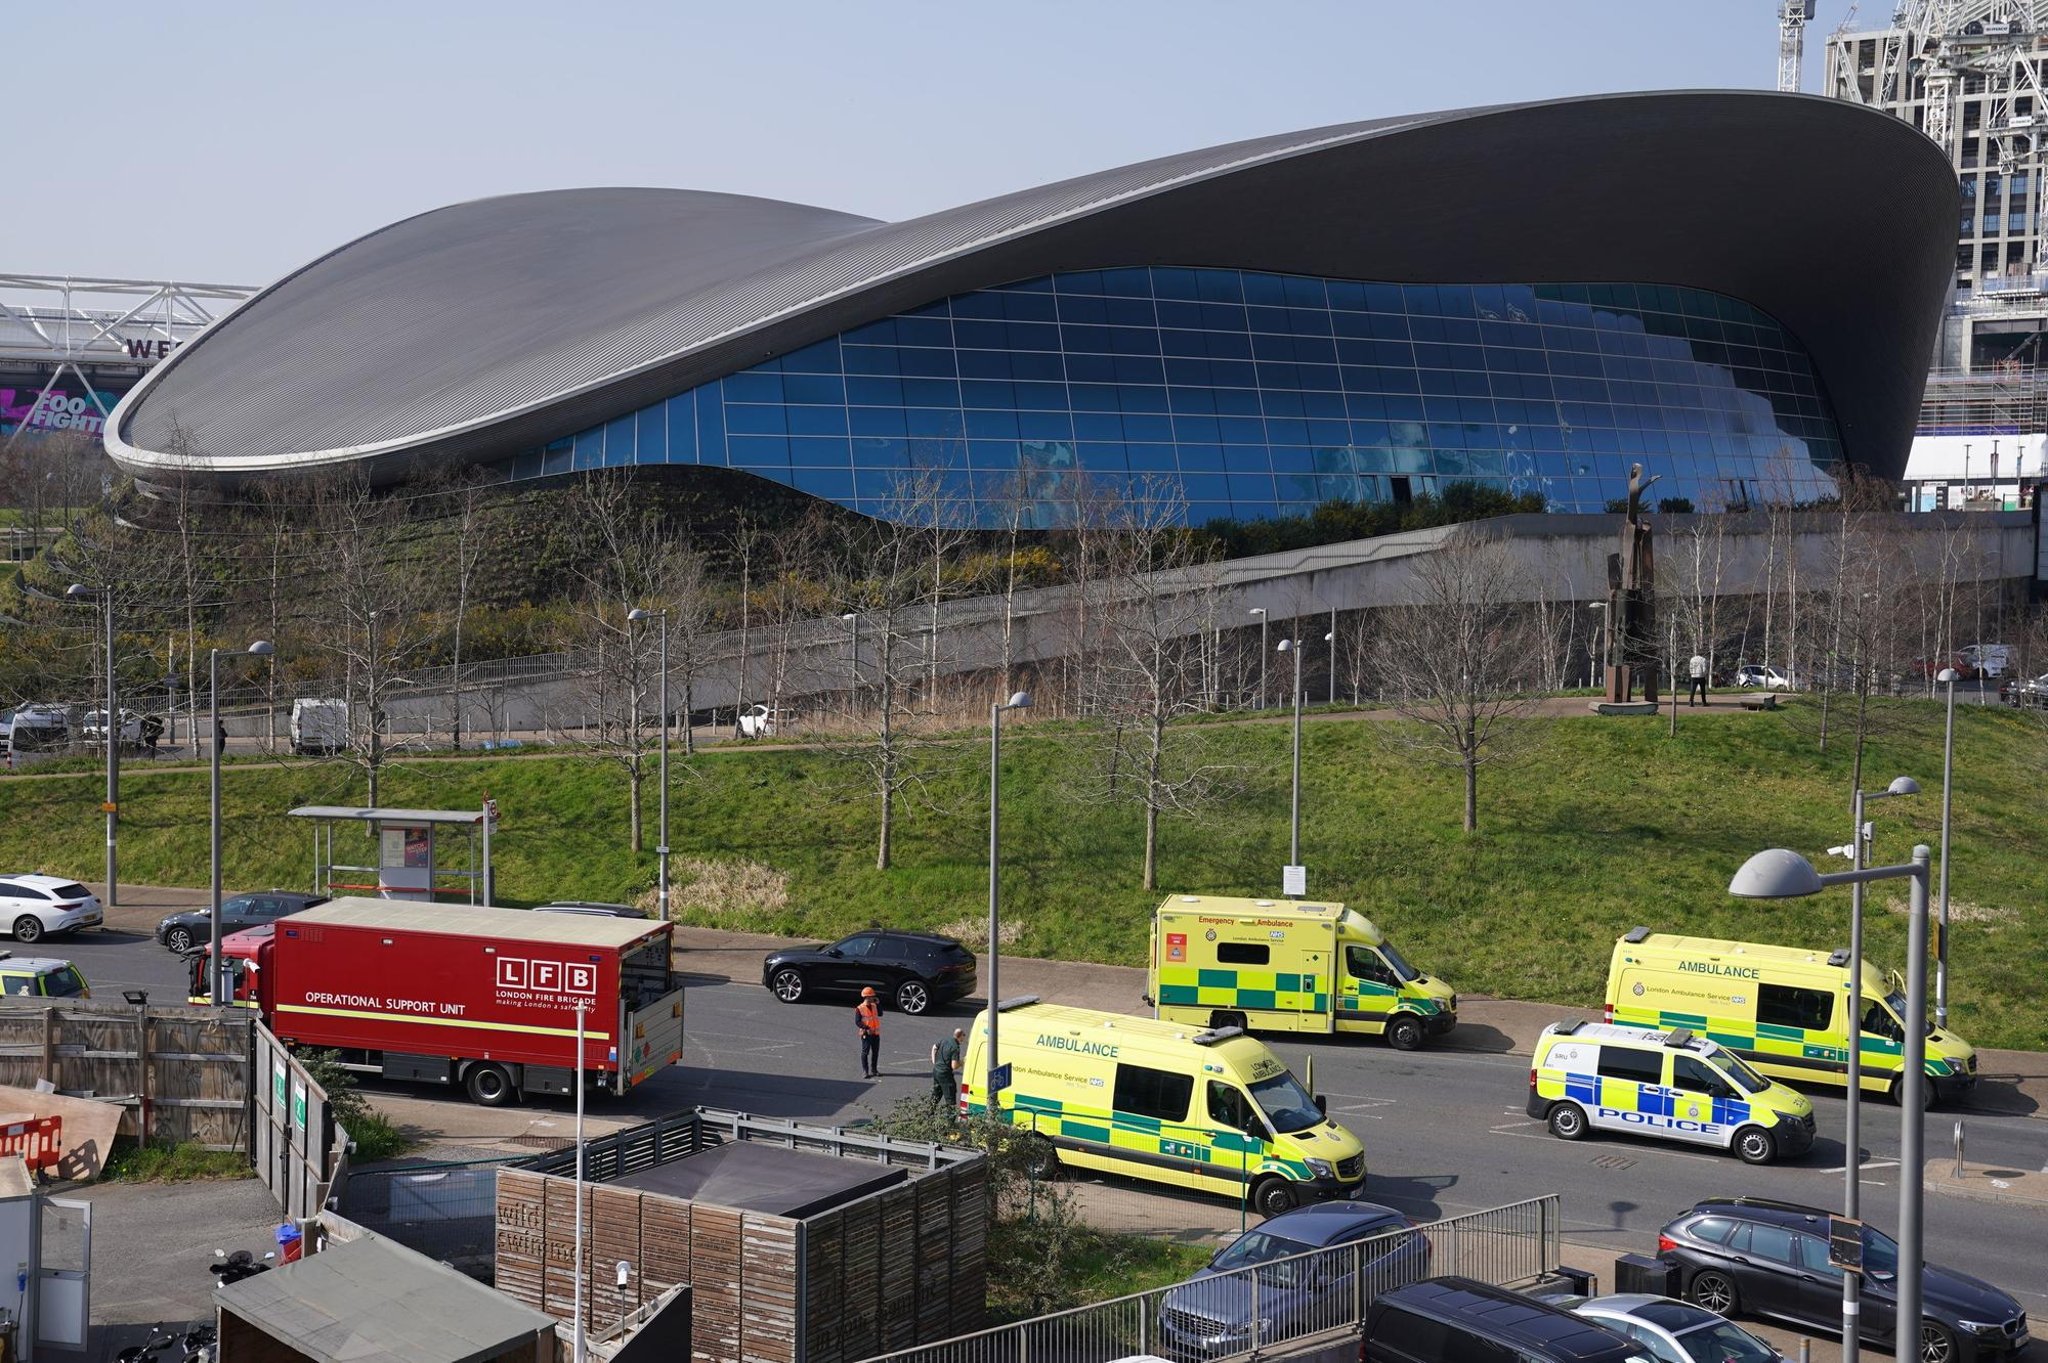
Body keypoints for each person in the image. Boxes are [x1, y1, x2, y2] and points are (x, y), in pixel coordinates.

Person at [931, 1027, 965, 1110]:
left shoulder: (945, 1040)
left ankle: (929, 1114)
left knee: (936, 1093)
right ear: (960, 1036)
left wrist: (934, 1061)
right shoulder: (955, 1047)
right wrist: (963, 1062)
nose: (964, 1037)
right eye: (964, 1035)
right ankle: (950, 1119)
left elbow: (934, 1047)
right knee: (950, 1098)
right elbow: (954, 1066)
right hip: (945, 1074)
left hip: (936, 1070)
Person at [855, 986, 882, 1078]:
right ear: (866, 997)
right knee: (865, 1052)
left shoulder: (874, 1006)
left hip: (875, 1033)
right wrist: (866, 1028)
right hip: (866, 1034)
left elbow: (880, 1014)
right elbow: (857, 1022)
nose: (872, 998)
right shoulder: (860, 1008)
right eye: (871, 997)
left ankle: (874, 1070)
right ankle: (865, 1071)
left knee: (875, 1052)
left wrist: (878, 1004)